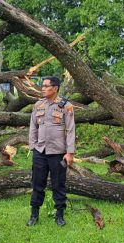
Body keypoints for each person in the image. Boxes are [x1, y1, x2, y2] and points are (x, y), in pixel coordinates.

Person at [26, 76, 76, 227]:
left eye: (46, 86)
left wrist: (70, 152)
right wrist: (33, 146)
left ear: (55, 88)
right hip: (40, 151)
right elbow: (33, 127)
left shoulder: (66, 106)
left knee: (58, 184)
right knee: (37, 184)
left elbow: (70, 130)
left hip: (58, 152)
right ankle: (34, 215)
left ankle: (59, 215)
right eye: (42, 85)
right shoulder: (38, 105)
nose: (43, 88)